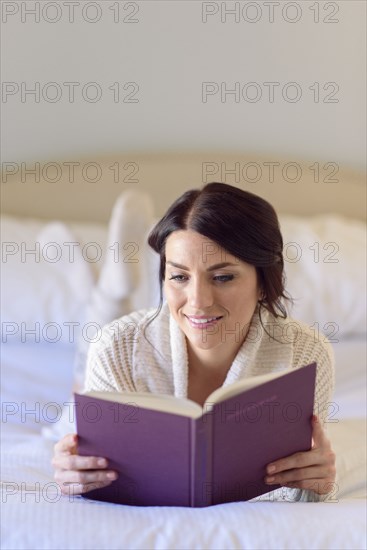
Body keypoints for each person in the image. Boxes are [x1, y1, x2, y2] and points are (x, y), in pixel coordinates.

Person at [52, 182, 336, 502]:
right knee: (73, 400)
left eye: (223, 277)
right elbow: (93, 482)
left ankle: (117, 293)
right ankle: (112, 293)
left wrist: (318, 483)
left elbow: (299, 490)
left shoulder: (306, 354)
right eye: (179, 276)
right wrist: (76, 474)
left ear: (263, 283)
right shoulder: (115, 347)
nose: (198, 301)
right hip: (117, 343)